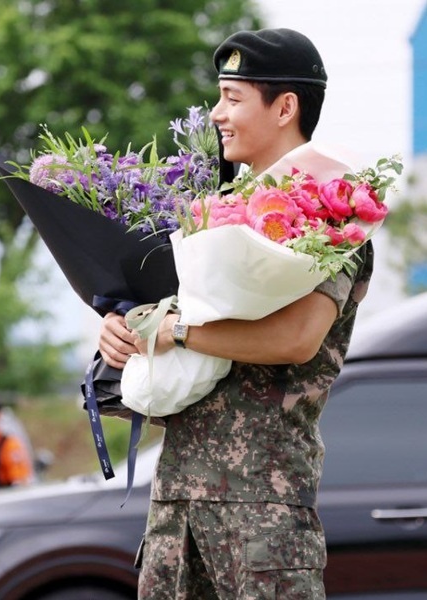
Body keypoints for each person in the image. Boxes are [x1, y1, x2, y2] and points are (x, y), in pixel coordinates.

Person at [97, 29, 373, 599]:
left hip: (262, 512)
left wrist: (177, 331)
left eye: (232, 97)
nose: (217, 114)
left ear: (285, 107)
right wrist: (125, 332)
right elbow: (166, 322)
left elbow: (297, 339)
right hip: (176, 506)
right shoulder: (209, 214)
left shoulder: (330, 217)